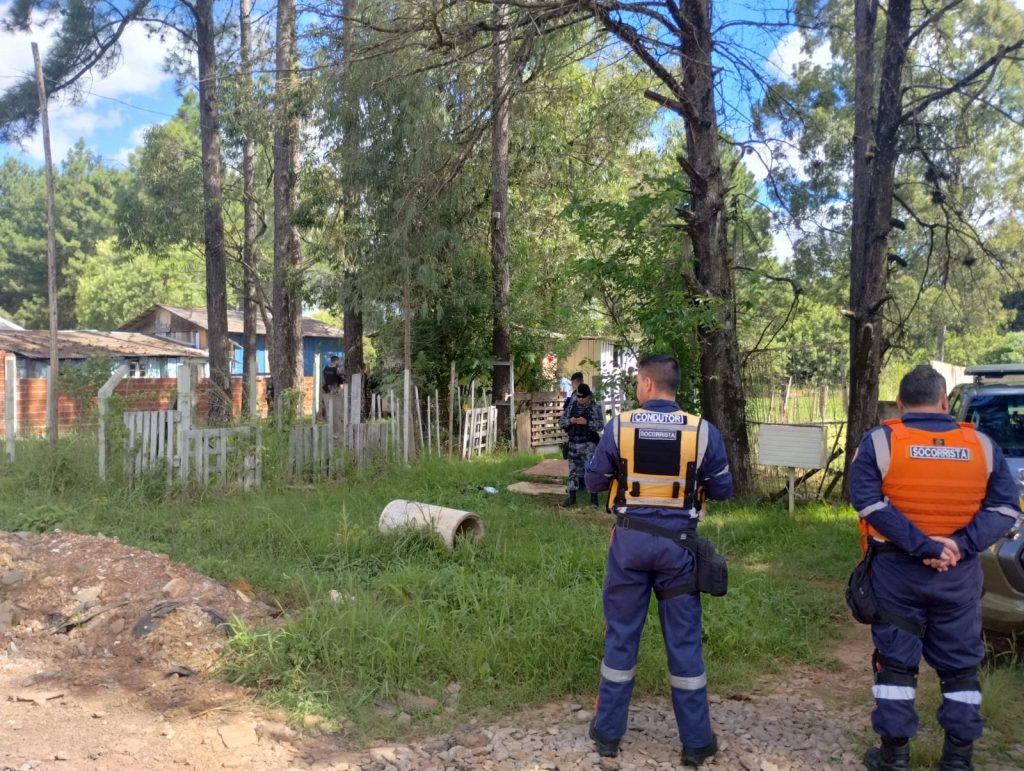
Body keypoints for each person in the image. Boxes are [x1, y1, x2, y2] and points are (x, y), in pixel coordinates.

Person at [849, 365, 1021, 771]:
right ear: (945, 402)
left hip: (896, 575)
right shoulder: (981, 445)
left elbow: (868, 503)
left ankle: (894, 759)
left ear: (901, 403)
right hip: (957, 577)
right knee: (961, 669)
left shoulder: (881, 442)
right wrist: (958, 546)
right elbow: (1004, 509)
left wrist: (921, 545)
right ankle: (958, 760)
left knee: (895, 666)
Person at [584, 354, 733, 766]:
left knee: (621, 637)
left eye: (637, 381)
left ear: (647, 384)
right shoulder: (701, 432)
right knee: (684, 645)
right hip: (679, 550)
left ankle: (608, 735)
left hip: (629, 545)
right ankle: (697, 742)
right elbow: (722, 489)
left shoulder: (620, 427)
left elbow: (593, 480)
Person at [558, 383, 603, 507]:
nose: (580, 399)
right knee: (573, 472)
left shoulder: (594, 407)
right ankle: (571, 498)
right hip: (573, 444)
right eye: (578, 397)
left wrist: (586, 422)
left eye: (583, 397)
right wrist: (570, 421)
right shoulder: (572, 406)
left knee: (590, 471)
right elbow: (561, 423)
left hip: (588, 445)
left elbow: (600, 426)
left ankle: (593, 499)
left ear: (588, 397)